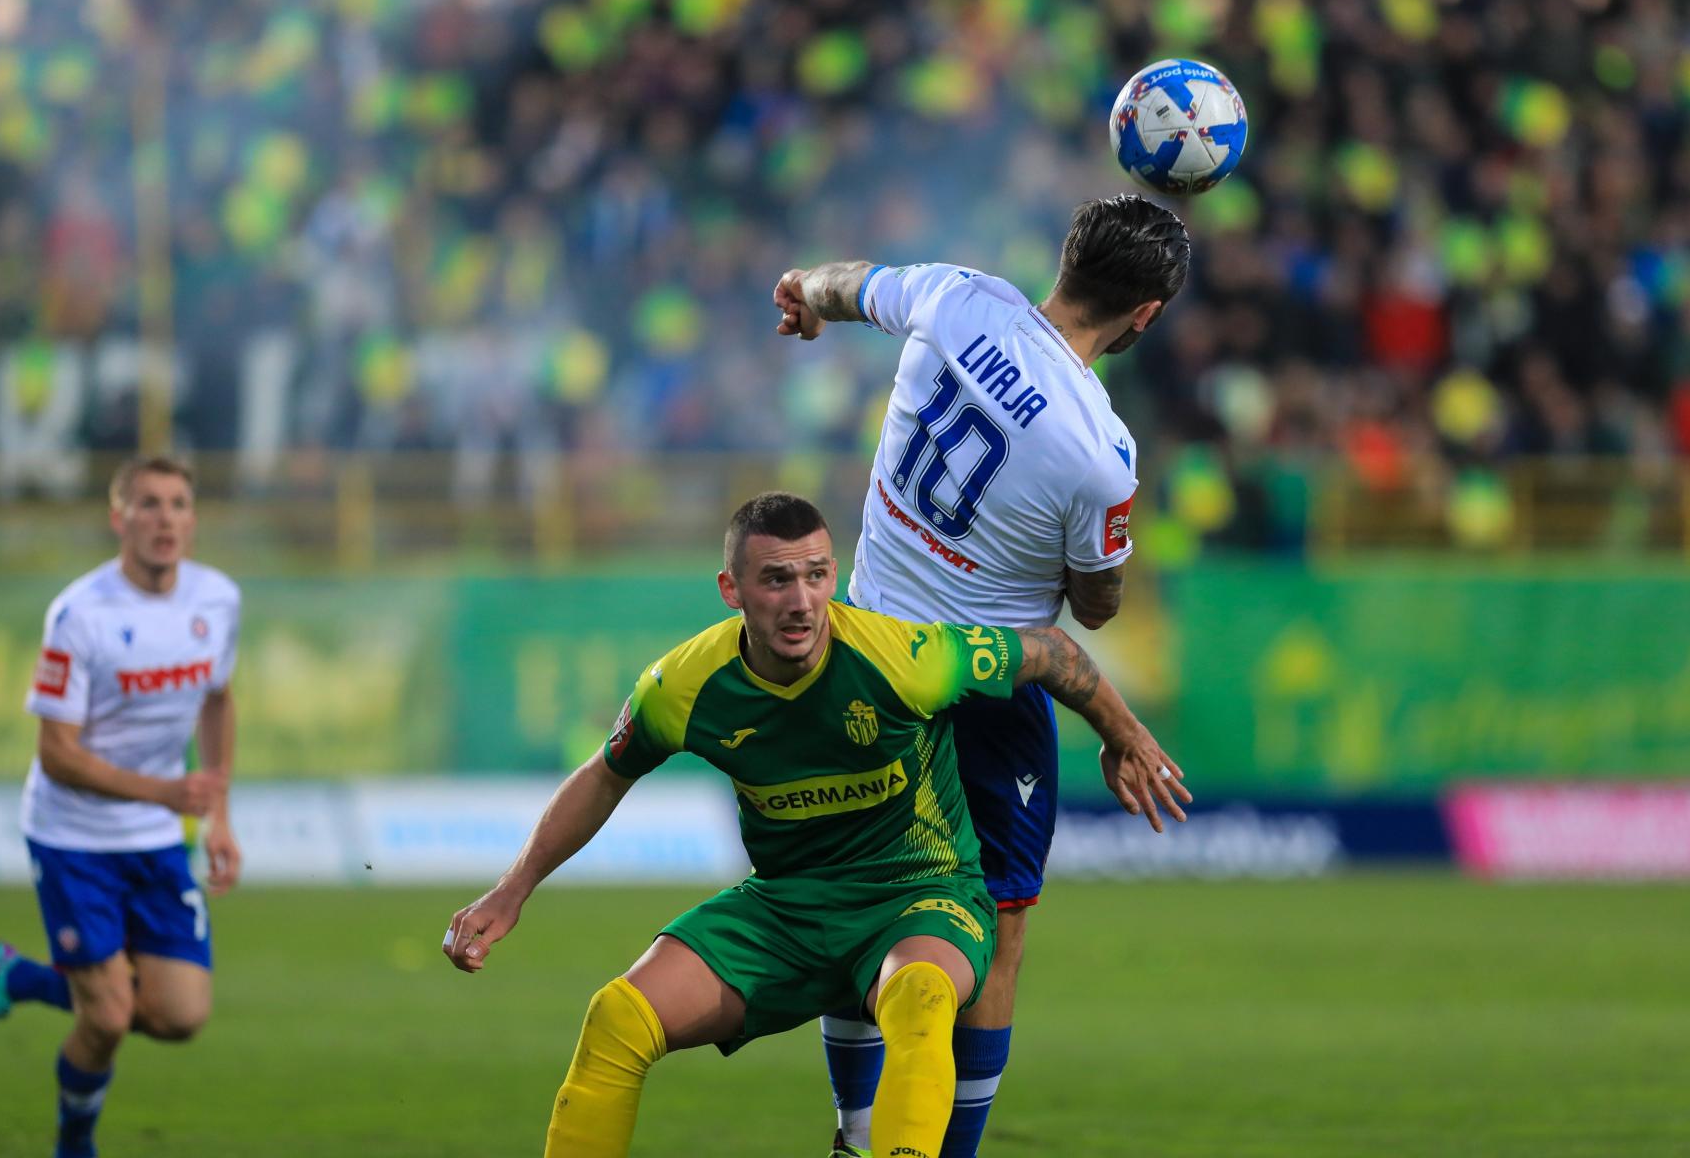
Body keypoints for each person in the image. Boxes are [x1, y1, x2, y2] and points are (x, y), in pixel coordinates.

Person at [442, 491, 1188, 1158]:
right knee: (617, 1019)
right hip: (789, 907)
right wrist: (510, 893)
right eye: (776, 580)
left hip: (918, 897)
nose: (801, 602)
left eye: (817, 576)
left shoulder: (905, 660)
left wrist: (1126, 736)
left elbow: (1053, 652)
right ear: (732, 590)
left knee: (922, 1001)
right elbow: (605, 774)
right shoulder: (684, 687)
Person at [772, 192, 1189, 1157]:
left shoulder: (962, 298)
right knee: (996, 927)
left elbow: (843, 286)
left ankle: (853, 1135)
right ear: (1146, 315)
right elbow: (1094, 607)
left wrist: (801, 291)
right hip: (982, 689)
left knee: (859, 896)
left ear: (1065, 256)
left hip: (860, 654)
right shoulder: (1100, 452)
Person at [0, 456, 242, 1158]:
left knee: (182, 1014)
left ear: (193, 518)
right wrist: (165, 793)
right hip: (73, 837)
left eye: (179, 504)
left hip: (154, 838)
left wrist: (217, 814)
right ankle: (74, 1147)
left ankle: (13, 974)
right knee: (109, 1015)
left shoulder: (217, 600)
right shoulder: (79, 614)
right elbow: (57, 754)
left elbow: (218, 697)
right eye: (148, 505)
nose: (165, 519)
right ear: (118, 517)